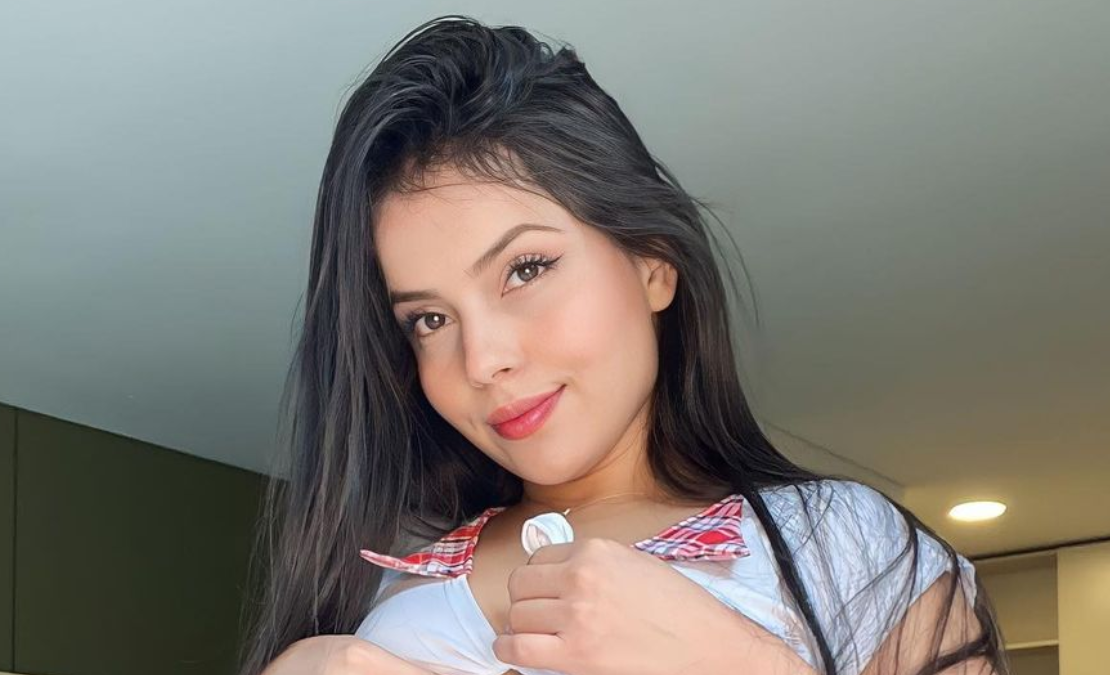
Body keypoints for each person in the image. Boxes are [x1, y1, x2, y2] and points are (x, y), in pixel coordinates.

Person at [238, 15, 1008, 675]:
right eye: (429, 320)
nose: (483, 360)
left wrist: (741, 661)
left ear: (652, 261)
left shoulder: (849, 545)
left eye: (525, 268)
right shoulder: (383, 579)